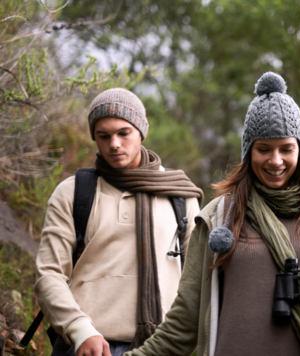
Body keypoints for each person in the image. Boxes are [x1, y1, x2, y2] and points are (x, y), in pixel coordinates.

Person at [123, 72, 300, 356]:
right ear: (248, 152)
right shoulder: (219, 218)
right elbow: (185, 319)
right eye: (264, 149)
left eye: (286, 149)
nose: (275, 161)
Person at [35, 88, 204, 356]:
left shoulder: (179, 194)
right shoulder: (73, 192)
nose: (114, 143)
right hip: (87, 346)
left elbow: (197, 279)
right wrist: (80, 331)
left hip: (163, 347)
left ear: (141, 132)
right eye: (104, 136)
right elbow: (49, 274)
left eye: (123, 133)